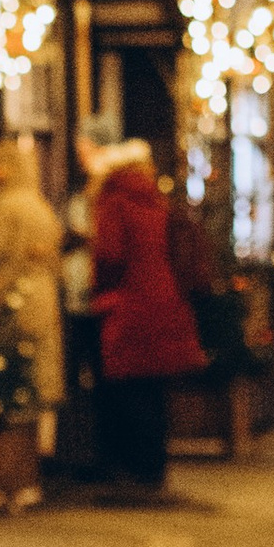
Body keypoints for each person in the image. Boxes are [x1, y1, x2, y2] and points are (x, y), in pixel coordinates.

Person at [86, 139, 205, 493]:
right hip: (165, 301)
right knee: (153, 388)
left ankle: (130, 469)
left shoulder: (114, 203)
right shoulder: (157, 201)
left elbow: (110, 255)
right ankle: (154, 467)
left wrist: (98, 289)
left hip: (127, 305)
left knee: (126, 388)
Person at [0, 138, 65, 455]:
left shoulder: (8, 205)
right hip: (45, 294)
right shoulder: (40, 205)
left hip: (17, 293)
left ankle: (19, 449)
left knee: (18, 365)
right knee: (44, 365)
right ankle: (44, 446)